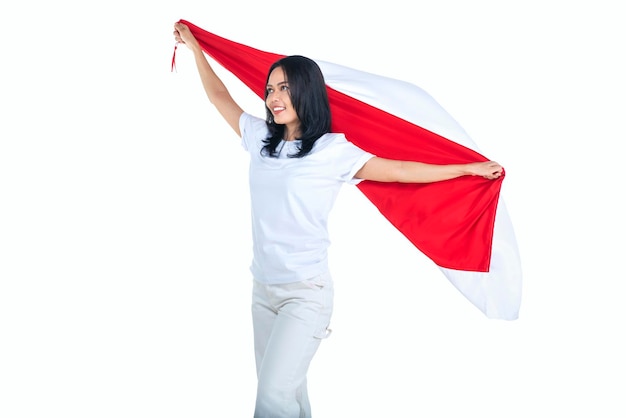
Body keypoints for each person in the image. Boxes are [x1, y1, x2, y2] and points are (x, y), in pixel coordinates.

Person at [172, 22, 503, 418]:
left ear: (306, 92)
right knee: (288, 396)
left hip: (306, 294)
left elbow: (398, 170)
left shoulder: (332, 150)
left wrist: (464, 170)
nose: (274, 97)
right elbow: (218, 96)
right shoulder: (259, 140)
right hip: (263, 290)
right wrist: (197, 51)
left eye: (285, 88)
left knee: (273, 398)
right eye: (270, 89)